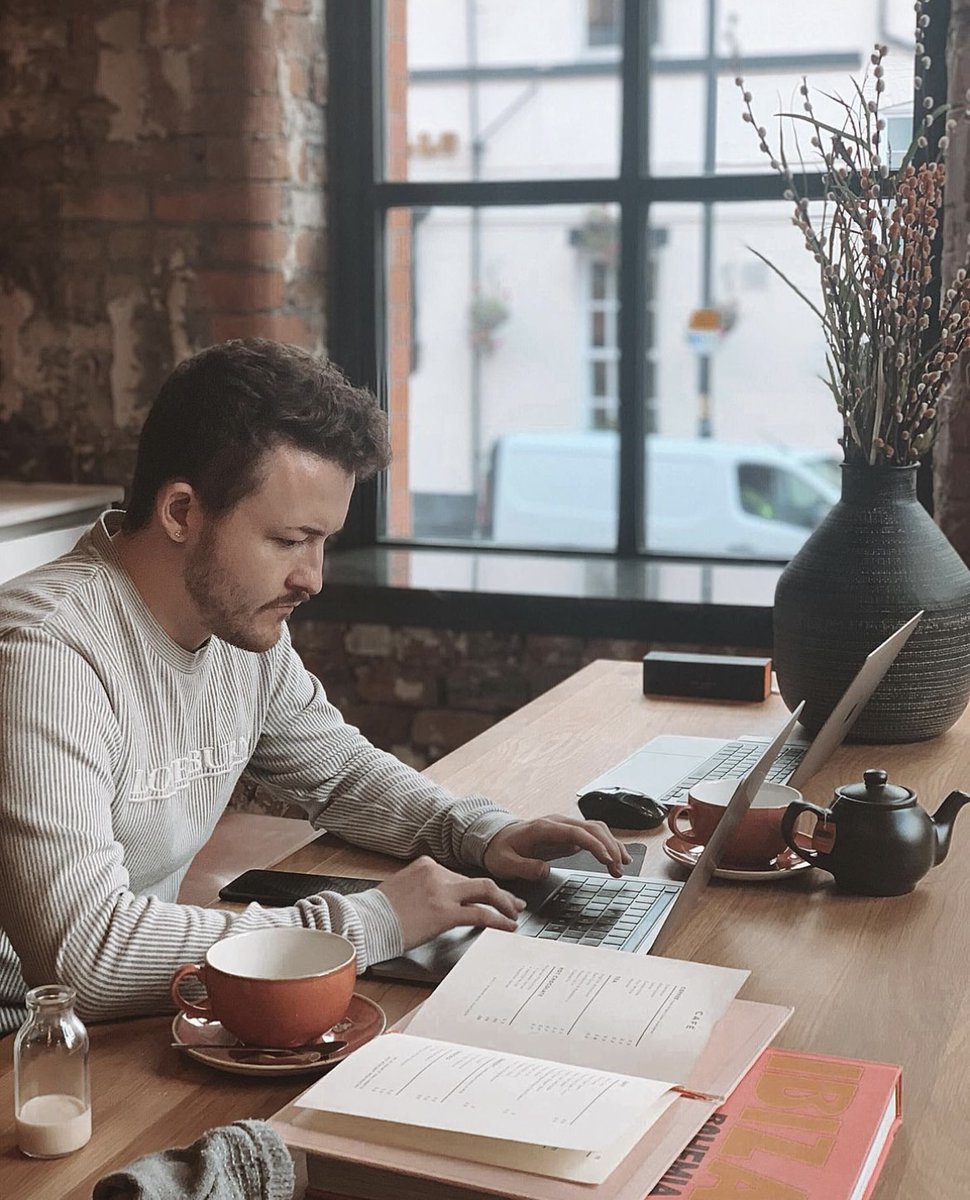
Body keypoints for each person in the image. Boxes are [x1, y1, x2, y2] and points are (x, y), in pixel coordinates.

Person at [0, 338, 627, 1036]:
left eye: (323, 541)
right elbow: (87, 955)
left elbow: (343, 776)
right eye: (289, 540)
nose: (313, 578)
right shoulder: (45, 651)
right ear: (181, 512)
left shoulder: (238, 627)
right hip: (27, 1043)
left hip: (134, 1016)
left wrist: (479, 831)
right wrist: (365, 923)